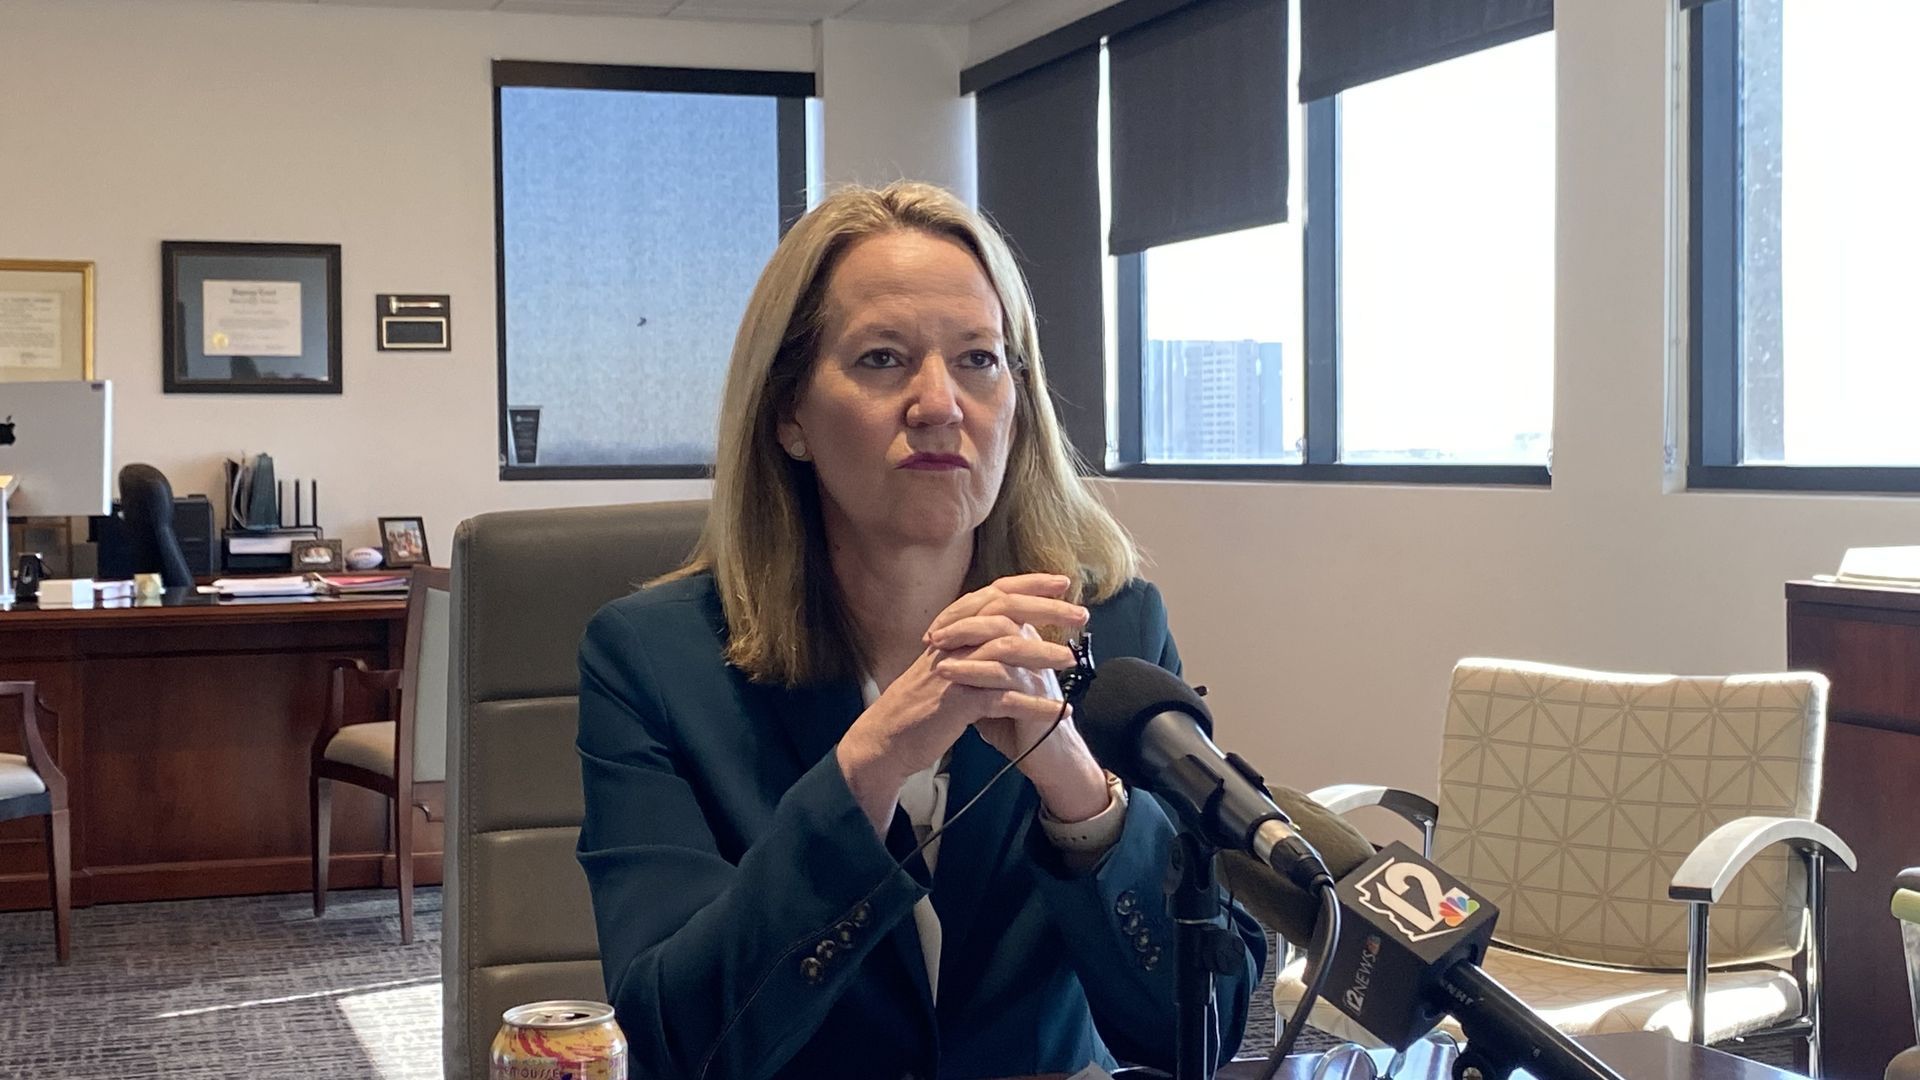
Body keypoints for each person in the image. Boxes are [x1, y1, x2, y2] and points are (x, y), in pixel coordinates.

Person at [576, 181, 1264, 1080]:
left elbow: (1200, 1029)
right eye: (882, 360)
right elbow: (672, 1041)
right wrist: (868, 768)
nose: (940, 403)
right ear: (789, 415)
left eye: (979, 359)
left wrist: (1081, 796)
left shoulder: (1113, 627)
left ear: (1017, 402)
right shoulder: (651, 660)